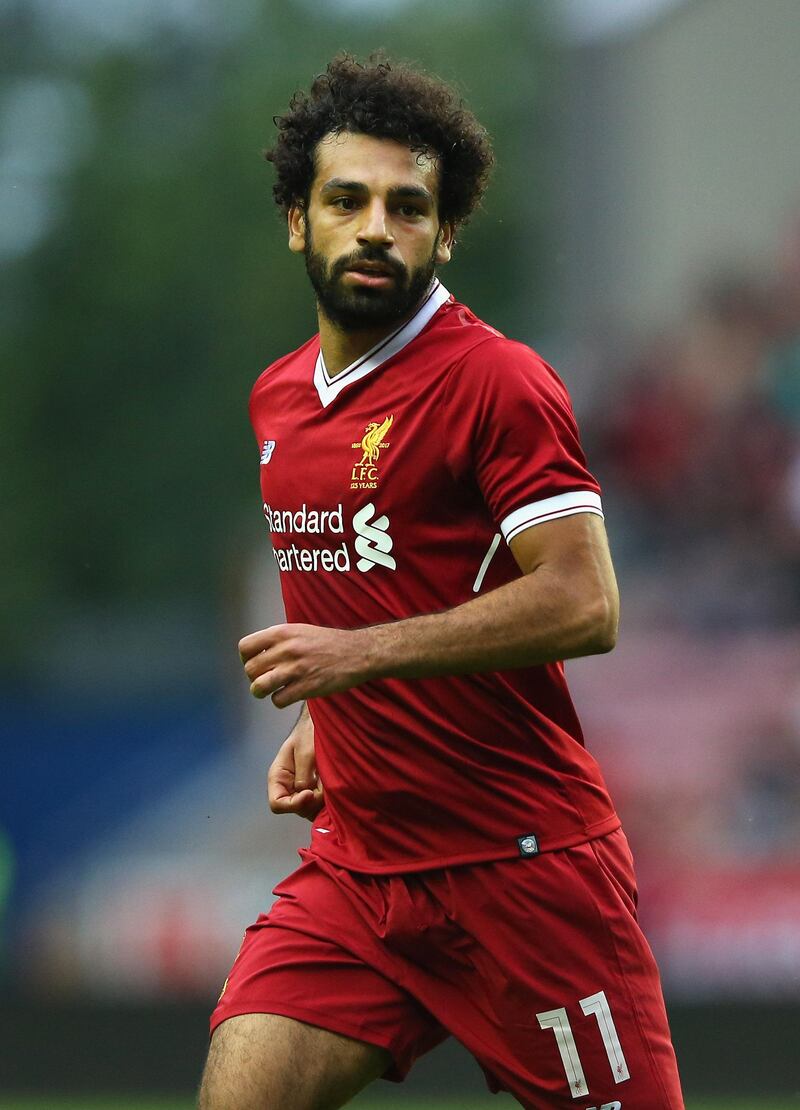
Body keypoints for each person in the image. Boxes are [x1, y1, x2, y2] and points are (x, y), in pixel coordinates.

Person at [199, 54, 684, 1110]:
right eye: (346, 200)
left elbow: (583, 603)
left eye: (407, 206)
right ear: (297, 218)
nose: (376, 226)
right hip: (359, 875)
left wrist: (355, 659)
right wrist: (332, 716)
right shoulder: (277, 399)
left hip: (524, 873)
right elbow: (377, 582)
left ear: (443, 232)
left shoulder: (494, 382)